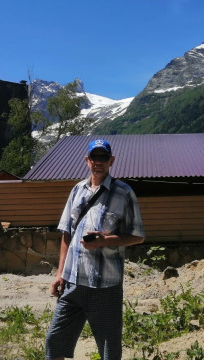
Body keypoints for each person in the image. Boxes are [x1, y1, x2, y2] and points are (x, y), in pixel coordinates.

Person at [46, 138, 145, 360]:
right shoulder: (77, 190)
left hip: (105, 286)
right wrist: (59, 272)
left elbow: (137, 236)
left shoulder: (124, 193)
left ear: (111, 161)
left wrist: (105, 240)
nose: (98, 162)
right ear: (87, 160)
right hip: (72, 282)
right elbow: (66, 234)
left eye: (103, 157)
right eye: (94, 157)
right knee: (55, 341)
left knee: (109, 349)